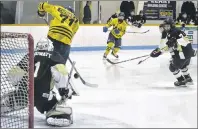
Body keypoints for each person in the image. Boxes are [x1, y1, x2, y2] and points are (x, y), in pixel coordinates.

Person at [2, 39, 77, 127]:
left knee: (18, 97)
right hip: (43, 97)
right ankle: (59, 114)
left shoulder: (29, 56)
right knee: (55, 106)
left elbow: (12, 77)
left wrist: (18, 86)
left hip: (23, 95)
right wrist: (66, 91)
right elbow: (62, 75)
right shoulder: (55, 57)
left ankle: (8, 102)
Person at [150, 18, 196, 87]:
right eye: (165, 26)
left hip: (182, 55)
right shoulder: (176, 31)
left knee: (172, 67)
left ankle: (181, 80)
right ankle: (188, 79)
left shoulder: (172, 33)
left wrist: (158, 52)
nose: (166, 28)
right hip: (188, 54)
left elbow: (168, 46)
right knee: (183, 66)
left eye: (168, 26)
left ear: (172, 26)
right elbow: (175, 44)